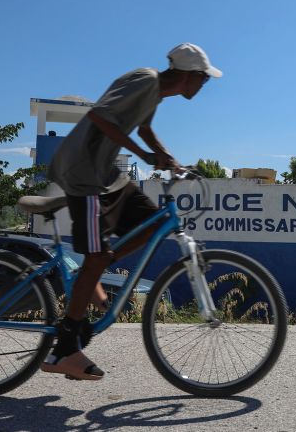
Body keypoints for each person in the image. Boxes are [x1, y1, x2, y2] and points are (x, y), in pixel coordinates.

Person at [40, 43, 222, 380]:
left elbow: (145, 129)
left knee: (153, 225)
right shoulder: (144, 79)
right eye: (203, 79)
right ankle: (64, 349)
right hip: (85, 173)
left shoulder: (155, 93)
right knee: (95, 258)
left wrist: (169, 160)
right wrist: (143, 154)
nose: (204, 85)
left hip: (106, 173)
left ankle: (96, 269)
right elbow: (98, 115)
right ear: (188, 75)